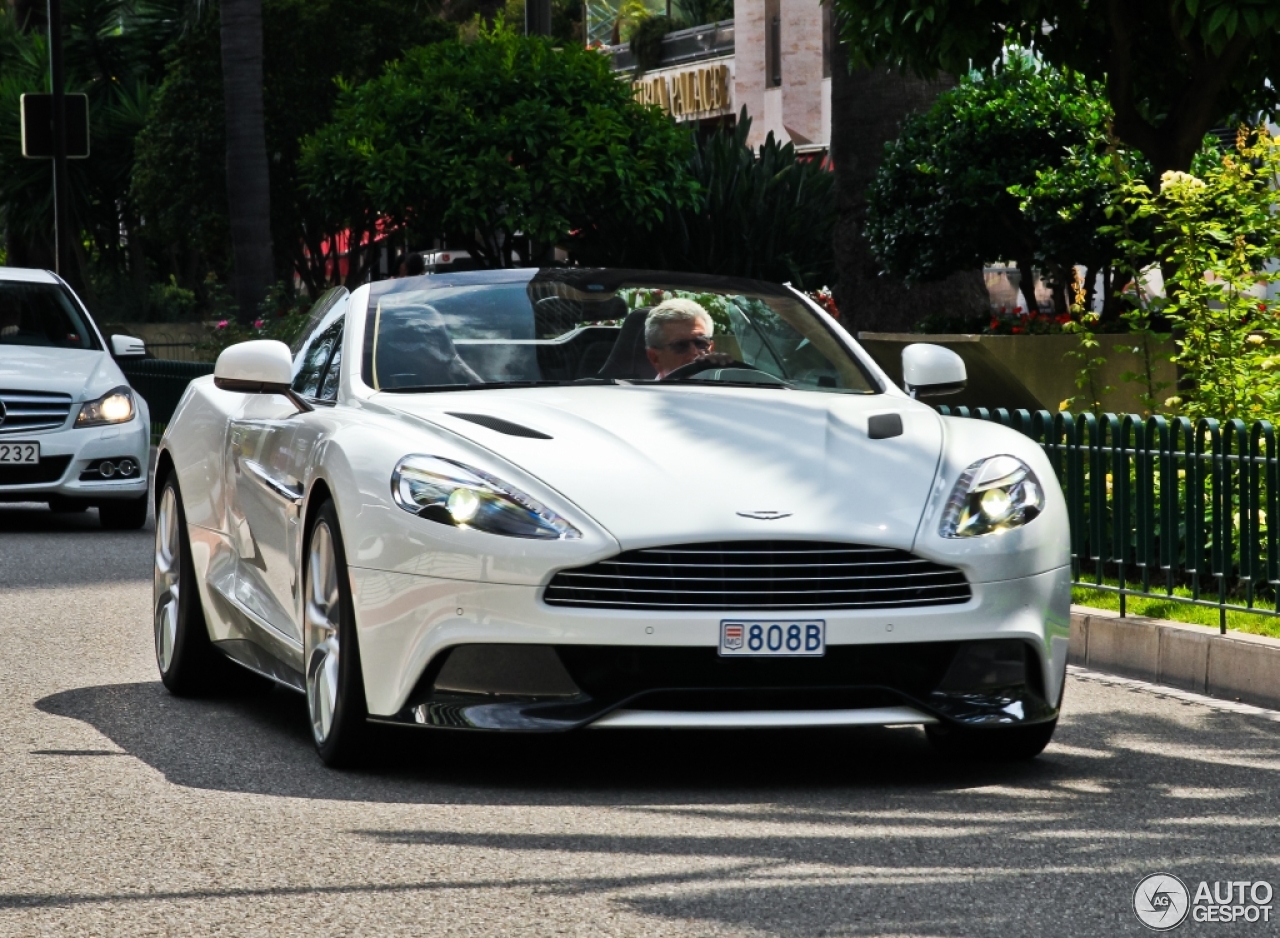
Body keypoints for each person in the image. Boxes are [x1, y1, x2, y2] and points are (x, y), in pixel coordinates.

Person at [644, 298, 731, 378]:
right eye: (681, 345)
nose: (695, 353)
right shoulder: (639, 394)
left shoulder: (729, 391)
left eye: (701, 343)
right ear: (655, 358)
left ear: (711, 348)